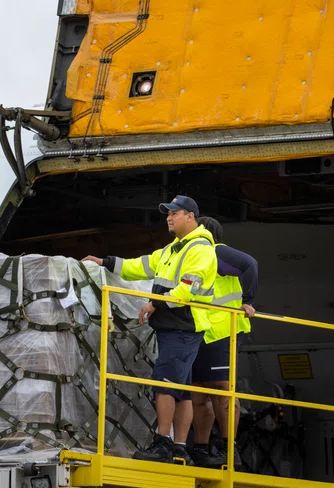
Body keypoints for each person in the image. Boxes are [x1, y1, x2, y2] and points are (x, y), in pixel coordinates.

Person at [83, 195, 217, 465]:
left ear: (190, 216)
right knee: (182, 389)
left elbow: (188, 287)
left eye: (175, 213)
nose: (169, 217)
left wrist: (154, 303)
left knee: (164, 383)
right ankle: (179, 447)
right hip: (175, 327)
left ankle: (163, 444)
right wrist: (106, 262)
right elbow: (141, 266)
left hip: (183, 325)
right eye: (167, 213)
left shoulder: (200, 249)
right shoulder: (174, 249)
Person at [188, 216, 258, 469]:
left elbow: (250, 264)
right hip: (198, 331)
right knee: (198, 393)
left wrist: (248, 301)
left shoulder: (217, 252)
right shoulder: (189, 257)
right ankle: (201, 449)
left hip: (222, 331)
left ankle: (231, 451)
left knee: (221, 390)